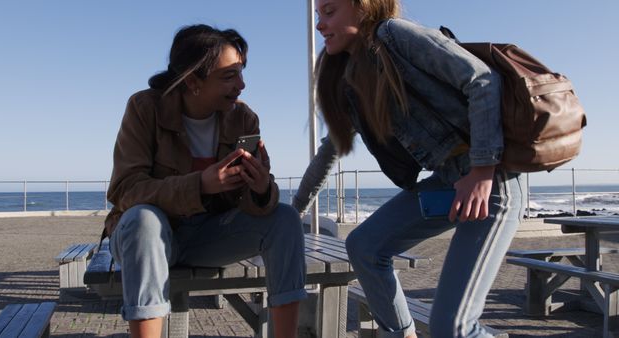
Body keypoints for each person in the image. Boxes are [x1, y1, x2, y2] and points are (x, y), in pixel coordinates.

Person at [292, 1, 526, 337]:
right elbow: (328, 153)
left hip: (493, 181)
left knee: (453, 328)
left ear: (363, 8)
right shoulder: (352, 76)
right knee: (364, 247)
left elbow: (483, 81)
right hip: (449, 180)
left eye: (329, 12)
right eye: (318, 15)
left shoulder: (395, 35)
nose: (319, 24)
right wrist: (293, 213)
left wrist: (481, 170)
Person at [105, 24, 306, 338]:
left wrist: (261, 188)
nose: (241, 84)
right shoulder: (145, 108)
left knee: (285, 218)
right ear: (193, 81)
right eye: (229, 76)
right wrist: (200, 185)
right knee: (143, 220)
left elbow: (250, 206)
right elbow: (125, 190)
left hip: (208, 238)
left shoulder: (243, 117)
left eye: (241, 73)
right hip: (148, 239)